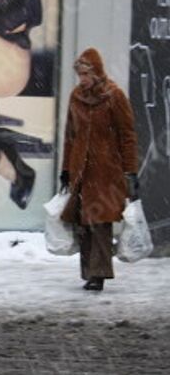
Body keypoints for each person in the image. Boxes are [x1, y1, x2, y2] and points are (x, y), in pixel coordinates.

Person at [59, 48, 139, 292]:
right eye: (80, 74)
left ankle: (99, 274)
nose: (82, 79)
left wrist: (130, 171)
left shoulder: (114, 96)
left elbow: (127, 136)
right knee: (83, 222)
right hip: (81, 170)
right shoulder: (76, 96)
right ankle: (89, 273)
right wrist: (66, 169)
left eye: (86, 74)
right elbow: (70, 136)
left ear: (97, 72)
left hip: (106, 170)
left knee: (100, 222)